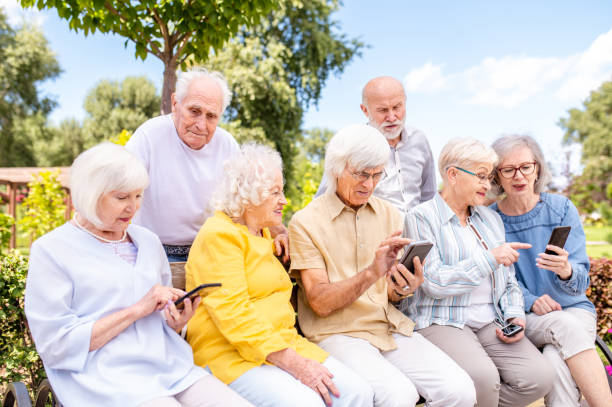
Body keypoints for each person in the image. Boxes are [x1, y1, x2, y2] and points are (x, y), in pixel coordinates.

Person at [24, 143, 251, 407]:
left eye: (139, 196)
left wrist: (176, 321)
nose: (133, 207)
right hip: (104, 378)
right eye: (121, 198)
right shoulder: (52, 250)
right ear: (90, 194)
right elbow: (56, 345)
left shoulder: (148, 241)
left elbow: (160, 318)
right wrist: (137, 310)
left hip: (169, 368)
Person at [289, 124, 476, 407]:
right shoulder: (305, 222)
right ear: (337, 168)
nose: (369, 184)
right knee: (398, 394)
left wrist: (402, 288)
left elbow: (387, 293)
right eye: (362, 174)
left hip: (387, 325)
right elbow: (320, 303)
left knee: (460, 390)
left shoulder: (390, 215)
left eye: (377, 174)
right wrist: (371, 273)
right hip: (337, 332)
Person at [185, 143, 373, 407]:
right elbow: (234, 317)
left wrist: (280, 237)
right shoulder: (219, 236)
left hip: (281, 342)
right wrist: (296, 364)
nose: (284, 200)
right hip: (230, 353)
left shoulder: (261, 233)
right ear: (248, 196)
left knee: (358, 393)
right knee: (308, 403)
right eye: (275, 192)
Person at [402, 138, 555, 407]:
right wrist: (488, 258)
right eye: (482, 177)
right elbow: (434, 282)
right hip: (442, 319)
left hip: (490, 319)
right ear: (453, 175)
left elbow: (508, 281)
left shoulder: (489, 219)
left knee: (538, 377)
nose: (488, 185)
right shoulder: (421, 217)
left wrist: (515, 314)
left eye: (489, 177)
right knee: (483, 379)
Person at [490, 135, 612, 407]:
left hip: (574, 308)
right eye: (508, 169)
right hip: (526, 315)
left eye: (526, 167)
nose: (518, 176)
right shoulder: (490, 219)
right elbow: (496, 280)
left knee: (554, 361)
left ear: (538, 168)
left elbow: (581, 282)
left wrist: (567, 270)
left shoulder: (561, 208)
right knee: (564, 327)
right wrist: (533, 301)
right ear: (497, 176)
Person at [126, 67, 288, 262]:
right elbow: (117, 187)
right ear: (176, 103)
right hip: (152, 252)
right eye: (194, 112)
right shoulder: (149, 135)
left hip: (211, 250)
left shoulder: (227, 144)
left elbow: (252, 197)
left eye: (211, 116)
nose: (201, 125)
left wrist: (280, 232)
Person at [315, 76, 436, 216]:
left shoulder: (419, 140)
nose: (391, 117)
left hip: (419, 234)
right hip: (375, 235)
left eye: (397, 107)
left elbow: (429, 196)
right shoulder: (350, 145)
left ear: (405, 102)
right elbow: (324, 198)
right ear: (365, 110)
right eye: (383, 110)